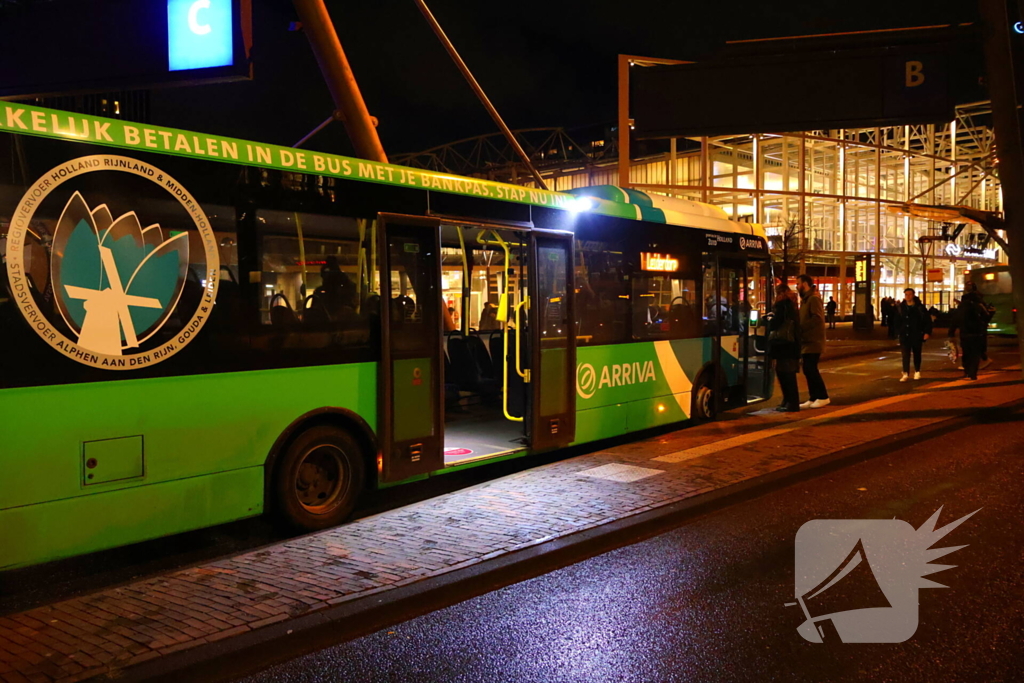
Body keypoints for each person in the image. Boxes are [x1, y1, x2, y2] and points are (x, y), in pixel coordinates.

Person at [797, 274, 830, 408]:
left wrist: (801, 328)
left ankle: (823, 396)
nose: (797, 286)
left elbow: (817, 318)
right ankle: (813, 397)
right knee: (807, 368)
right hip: (807, 340)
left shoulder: (813, 299)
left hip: (813, 340)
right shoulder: (806, 300)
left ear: (804, 284)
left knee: (810, 368)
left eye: (798, 283)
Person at [769, 284, 802, 412]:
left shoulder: (782, 305)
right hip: (791, 344)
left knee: (785, 374)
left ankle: (791, 402)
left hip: (784, 344)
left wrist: (769, 321)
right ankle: (789, 401)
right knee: (788, 373)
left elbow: (776, 323)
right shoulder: (792, 304)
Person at [951, 285, 992, 380]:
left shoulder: (961, 308)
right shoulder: (979, 306)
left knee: (966, 353)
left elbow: (955, 321)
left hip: (965, 333)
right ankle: (973, 373)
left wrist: (951, 332)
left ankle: (967, 371)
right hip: (977, 333)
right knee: (975, 354)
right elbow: (986, 317)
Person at [893, 288, 932, 382]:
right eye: (906, 294)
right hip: (904, 335)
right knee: (905, 354)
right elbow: (896, 321)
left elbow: (927, 321)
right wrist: (898, 332)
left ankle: (917, 371)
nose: (908, 296)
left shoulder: (920, 307)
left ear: (913, 295)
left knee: (917, 353)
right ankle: (905, 372)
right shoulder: (901, 307)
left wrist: (927, 332)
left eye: (910, 294)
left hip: (917, 334)